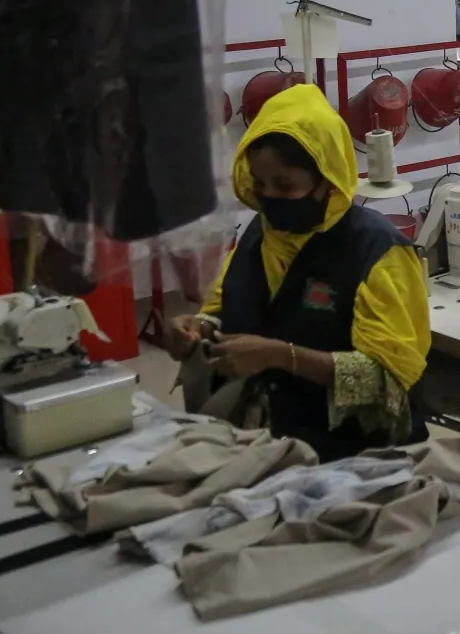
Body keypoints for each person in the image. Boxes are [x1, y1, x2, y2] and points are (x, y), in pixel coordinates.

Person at [168, 84, 430, 460]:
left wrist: (282, 356)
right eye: (260, 184)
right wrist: (200, 327)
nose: (269, 196)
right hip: (266, 441)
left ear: (326, 179)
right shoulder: (260, 234)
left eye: (285, 185)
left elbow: (387, 379)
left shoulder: (377, 251)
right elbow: (229, 306)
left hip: (351, 455)